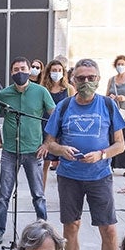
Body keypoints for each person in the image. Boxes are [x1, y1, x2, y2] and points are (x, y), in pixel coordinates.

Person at [44, 58, 125, 250]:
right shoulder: (63, 107)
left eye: (91, 78)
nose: (86, 82)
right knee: (71, 226)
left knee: (108, 228)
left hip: (99, 176)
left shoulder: (108, 106)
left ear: (99, 80)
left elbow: (120, 145)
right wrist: (62, 149)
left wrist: (101, 154)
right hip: (69, 176)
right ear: (73, 79)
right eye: (81, 78)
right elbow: (49, 143)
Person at [0, 56, 55, 245]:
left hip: (34, 151)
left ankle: (44, 230)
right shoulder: (5, 94)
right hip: (10, 151)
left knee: (38, 194)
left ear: (29, 70)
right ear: (11, 72)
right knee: (4, 194)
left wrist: (47, 143)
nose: (20, 72)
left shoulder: (41, 92)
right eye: (16, 69)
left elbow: (54, 116)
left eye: (23, 68)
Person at [41, 59, 75, 191]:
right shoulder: (43, 89)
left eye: (59, 70)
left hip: (64, 130)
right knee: (44, 164)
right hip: (46, 128)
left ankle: (66, 194)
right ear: (49, 72)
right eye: (54, 70)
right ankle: (41, 195)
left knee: (65, 162)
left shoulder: (69, 89)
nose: (56, 73)